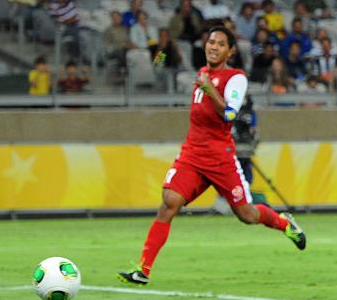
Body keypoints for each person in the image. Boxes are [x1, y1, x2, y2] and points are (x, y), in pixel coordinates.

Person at [118, 28, 306, 286]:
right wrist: (205, 84)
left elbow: (230, 114)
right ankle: (144, 269)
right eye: (210, 42)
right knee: (169, 202)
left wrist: (209, 89)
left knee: (247, 215)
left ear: (230, 51)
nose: (213, 47)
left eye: (220, 44)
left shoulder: (235, 77)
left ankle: (284, 224)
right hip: (192, 155)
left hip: (221, 158)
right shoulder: (202, 75)